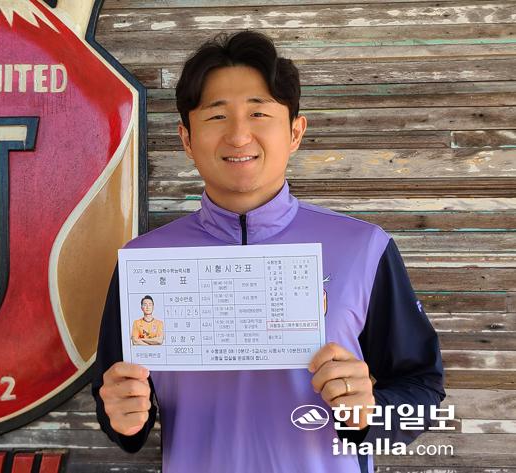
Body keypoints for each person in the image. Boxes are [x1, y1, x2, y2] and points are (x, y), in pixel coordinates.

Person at [92, 31, 445, 473]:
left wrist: (371, 412)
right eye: (217, 116)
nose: (239, 135)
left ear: (295, 131)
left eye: (259, 113)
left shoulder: (364, 248)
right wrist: (122, 418)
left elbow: (422, 387)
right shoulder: (144, 264)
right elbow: (119, 402)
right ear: (186, 138)